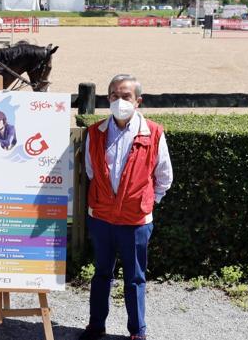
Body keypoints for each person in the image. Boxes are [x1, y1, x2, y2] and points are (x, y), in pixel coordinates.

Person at [79, 74, 173, 340]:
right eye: (114, 96)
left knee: (135, 279)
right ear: (107, 98)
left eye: (125, 96)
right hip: (102, 218)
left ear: (138, 101)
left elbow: (164, 176)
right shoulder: (95, 132)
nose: (119, 101)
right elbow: (90, 171)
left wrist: (147, 202)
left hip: (136, 221)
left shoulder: (153, 132)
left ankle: (137, 331)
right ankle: (96, 326)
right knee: (101, 275)